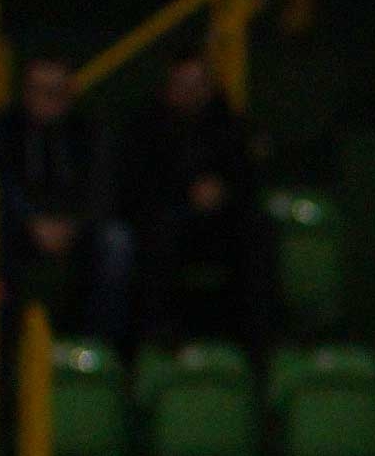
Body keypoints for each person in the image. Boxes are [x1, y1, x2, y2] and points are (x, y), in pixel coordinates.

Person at [115, 52, 274, 359]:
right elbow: (137, 186)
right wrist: (183, 194)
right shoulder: (146, 127)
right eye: (183, 85)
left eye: (198, 85)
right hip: (167, 221)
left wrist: (221, 190)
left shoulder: (229, 123)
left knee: (258, 230)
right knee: (156, 233)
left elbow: (247, 175)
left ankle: (258, 342)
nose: (191, 93)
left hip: (221, 222)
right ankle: (157, 336)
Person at [0, 55, 119, 336]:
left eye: (56, 92)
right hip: (20, 228)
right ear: (25, 92)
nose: (48, 100)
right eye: (39, 90)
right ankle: (4, 355)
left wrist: (73, 224)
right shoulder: (4, 129)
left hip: (77, 227)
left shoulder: (88, 132)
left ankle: (96, 348)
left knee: (117, 243)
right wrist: (32, 222)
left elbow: (100, 187)